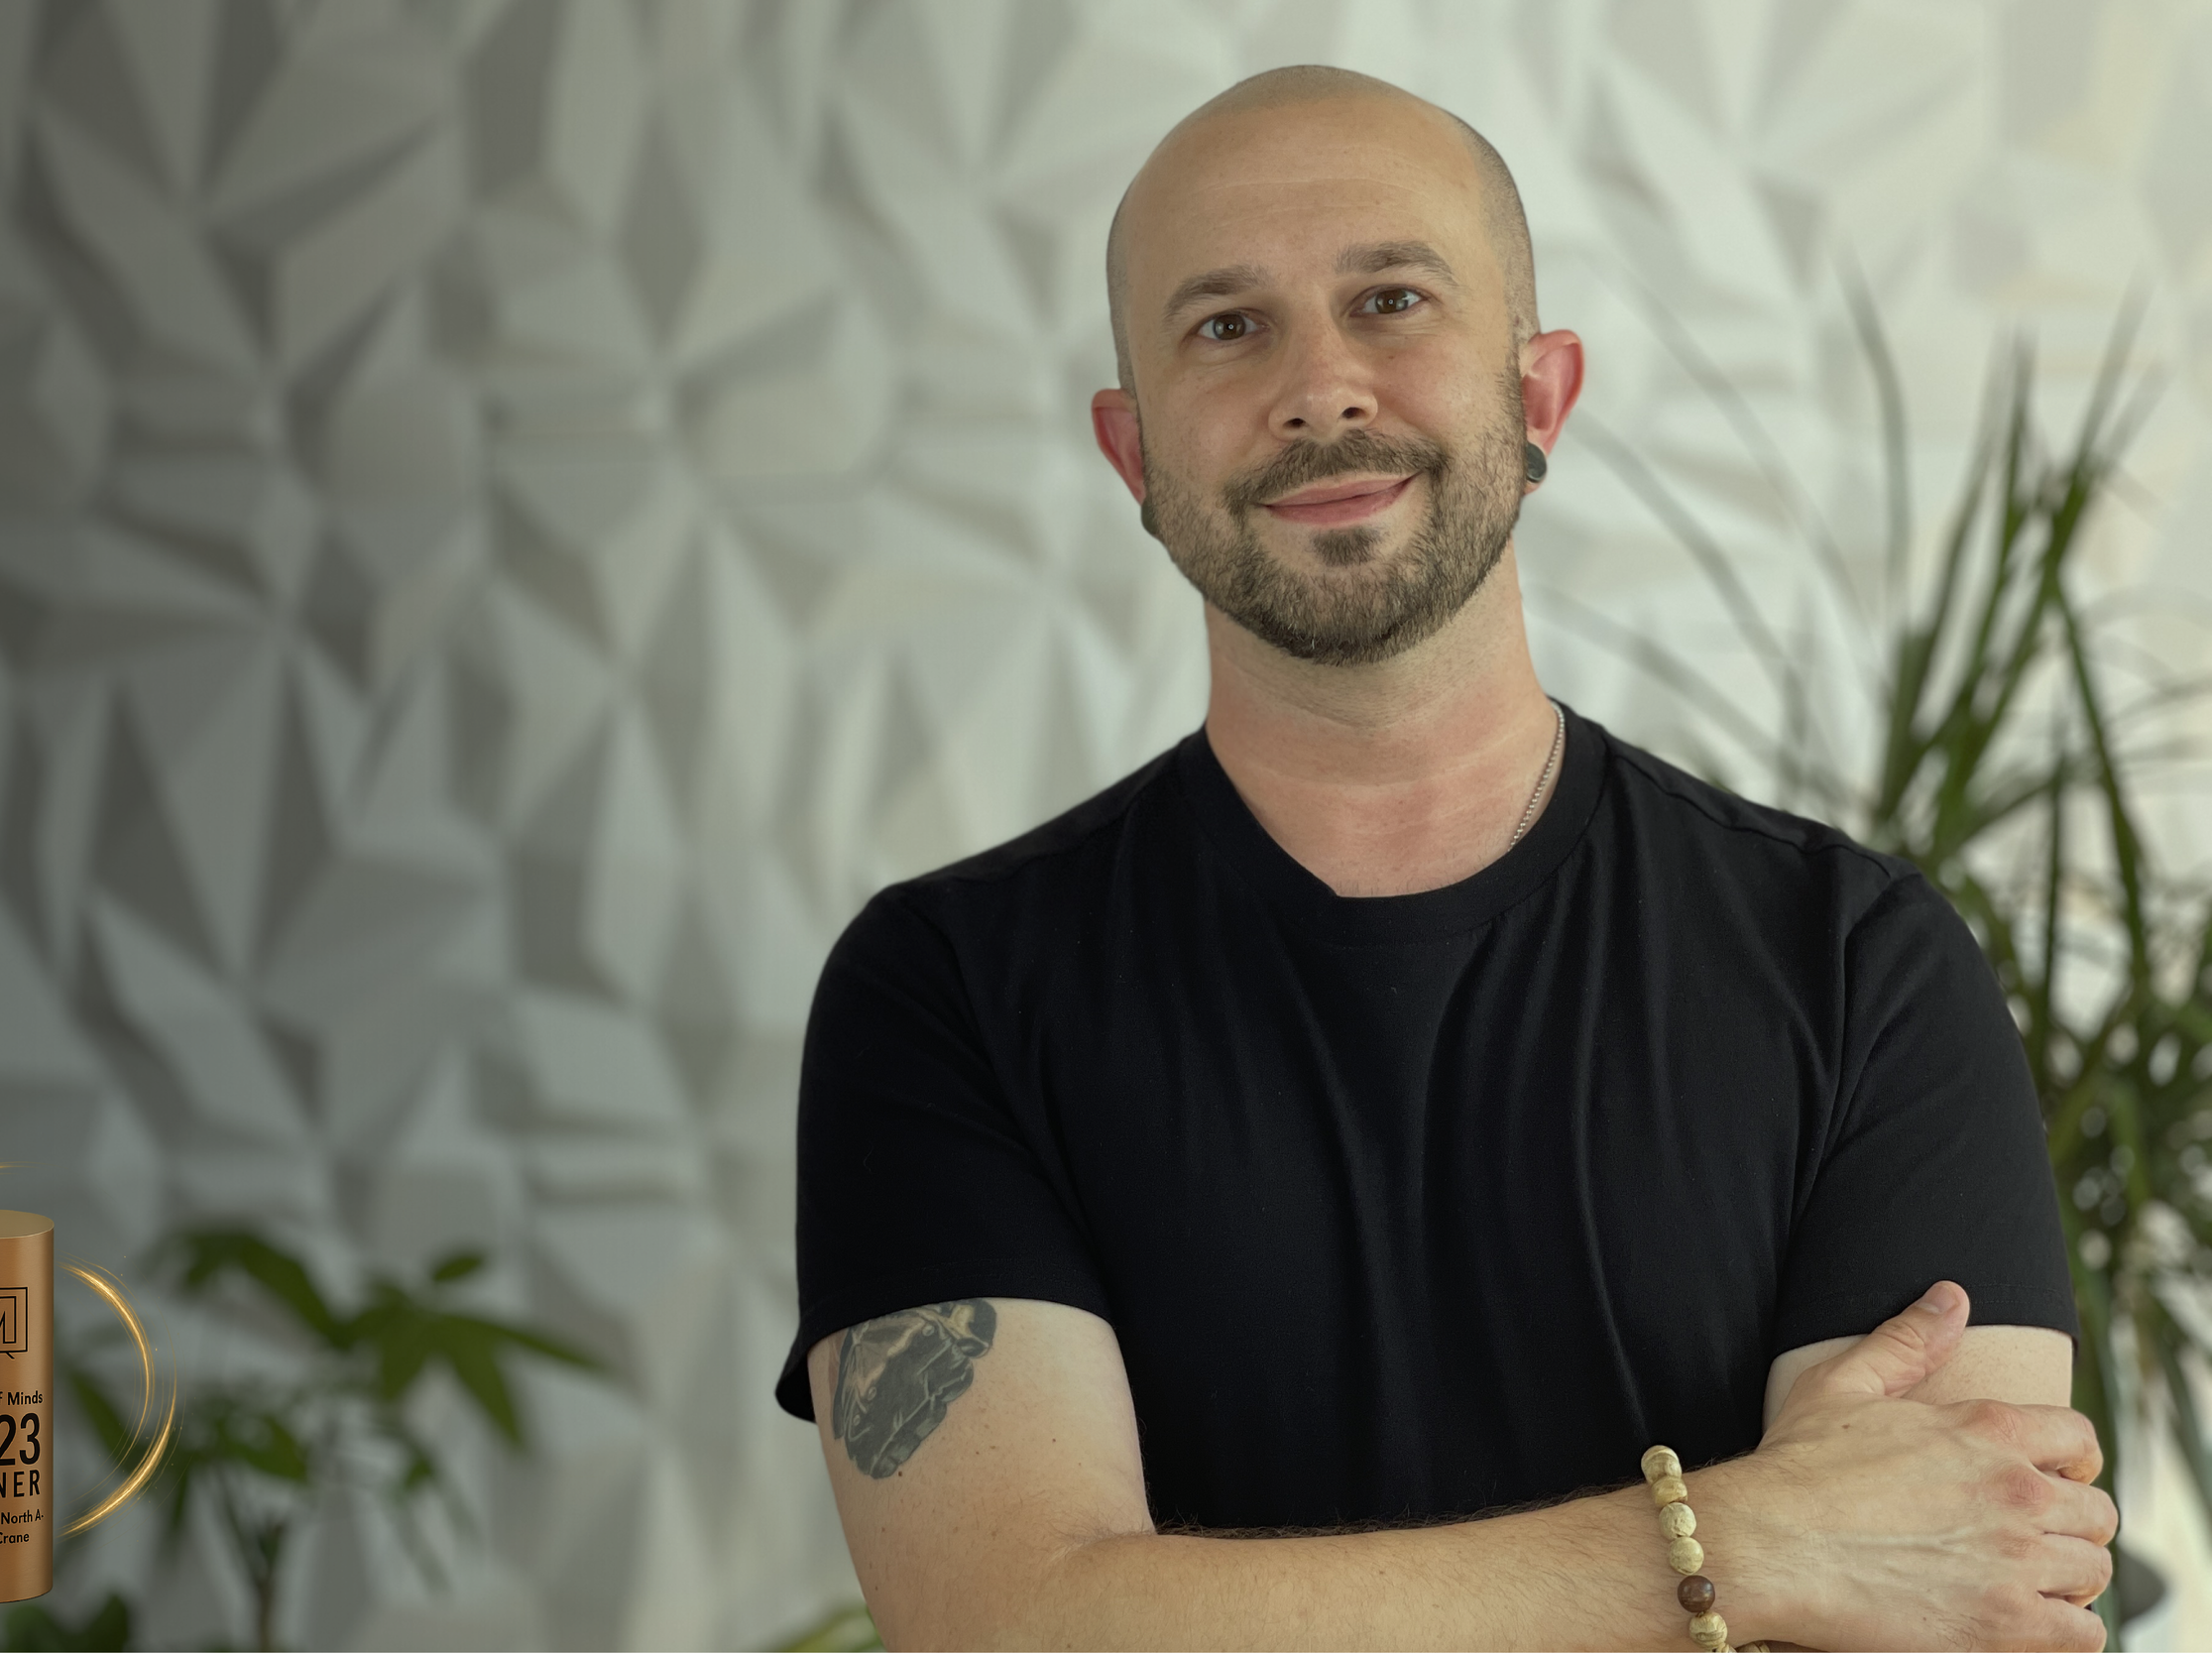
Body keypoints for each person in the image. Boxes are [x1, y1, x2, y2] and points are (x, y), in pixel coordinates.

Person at [775, 64, 2113, 1651]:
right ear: (1133, 455)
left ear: (1540, 396)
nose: (1319, 388)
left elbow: (1959, 1599)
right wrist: (1747, 1541)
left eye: (1392, 300)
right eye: (1227, 325)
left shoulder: (1854, 962)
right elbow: (1012, 1629)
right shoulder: (947, 992)